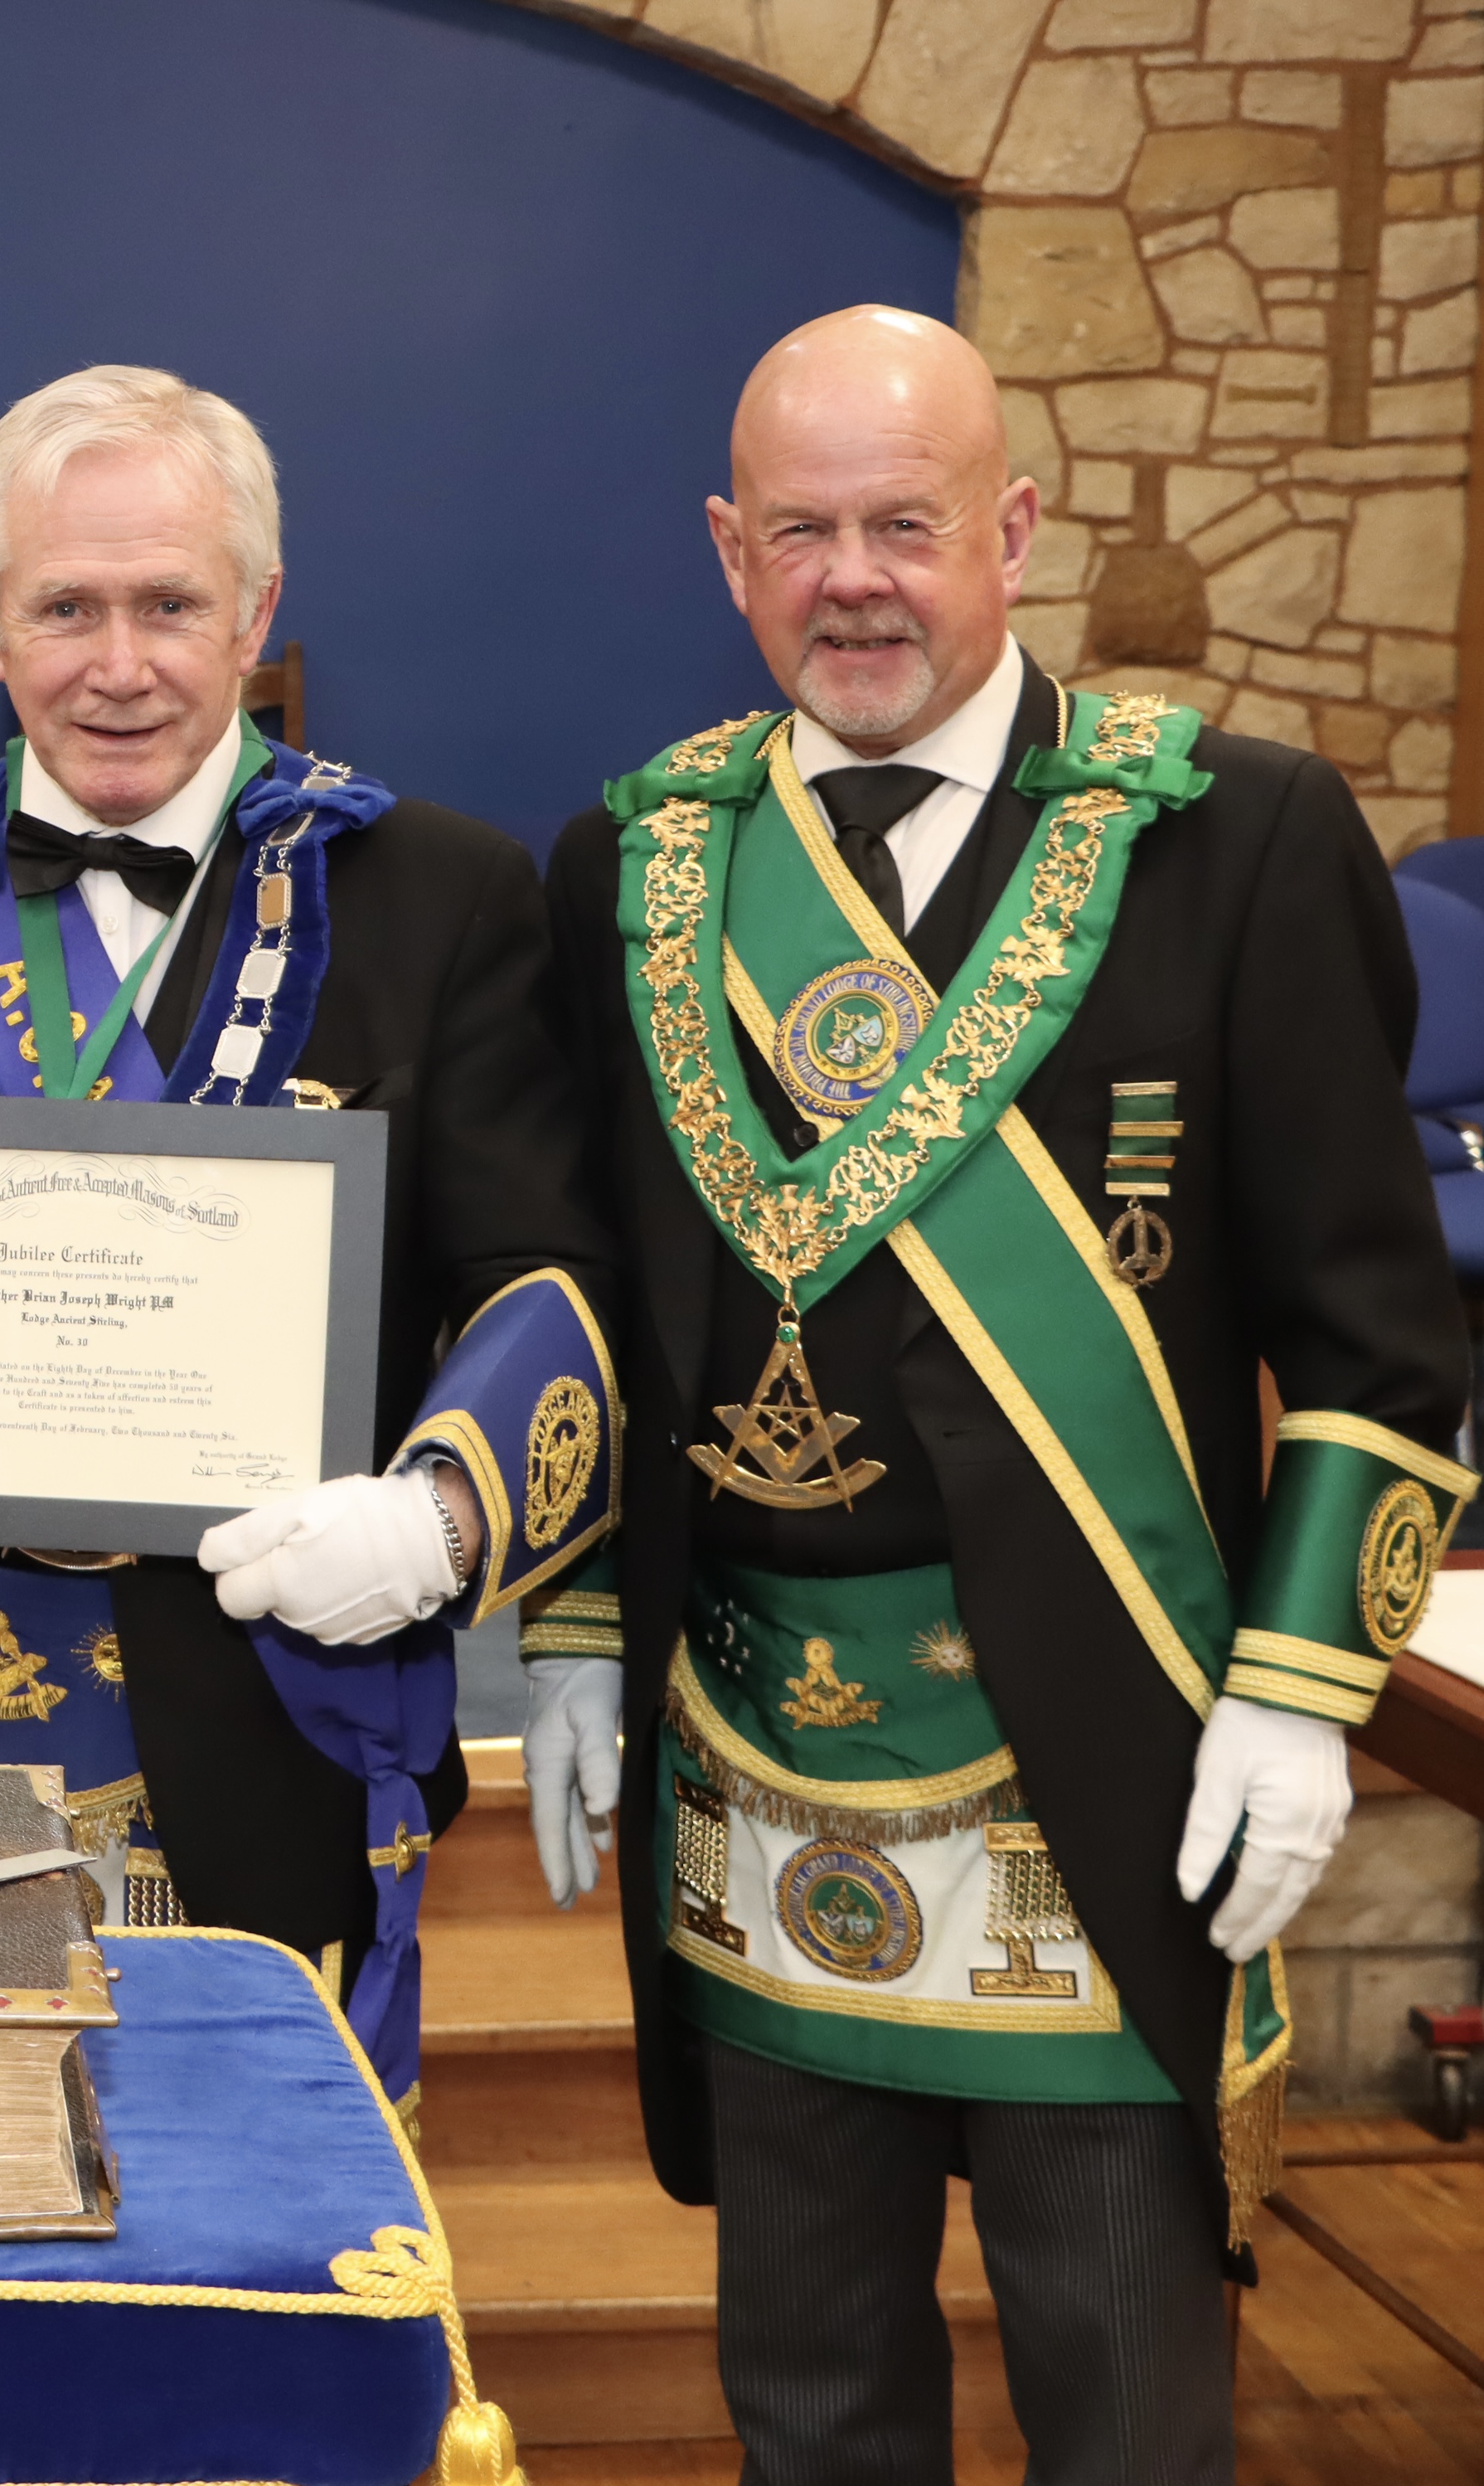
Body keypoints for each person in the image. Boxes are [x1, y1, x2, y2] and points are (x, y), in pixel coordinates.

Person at [537, 303, 1469, 2484]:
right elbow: (603, 1295)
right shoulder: (635, 865)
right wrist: (574, 1624)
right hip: (755, 1757)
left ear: (1012, 531)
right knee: (808, 2405)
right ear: (727, 550)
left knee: (1123, 2404)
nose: (850, 580)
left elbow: (1378, 1335)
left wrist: (1296, 1689)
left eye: (903, 523)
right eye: (799, 532)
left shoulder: (1233, 836)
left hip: (1110, 1759)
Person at [0, 366, 620, 2111]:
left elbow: (539, 1272)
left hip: (276, 1708)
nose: (117, 664)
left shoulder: (437, 890)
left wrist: (443, 1510)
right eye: (64, 607)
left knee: (258, 2210)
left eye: (169, 604)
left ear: (256, 609)